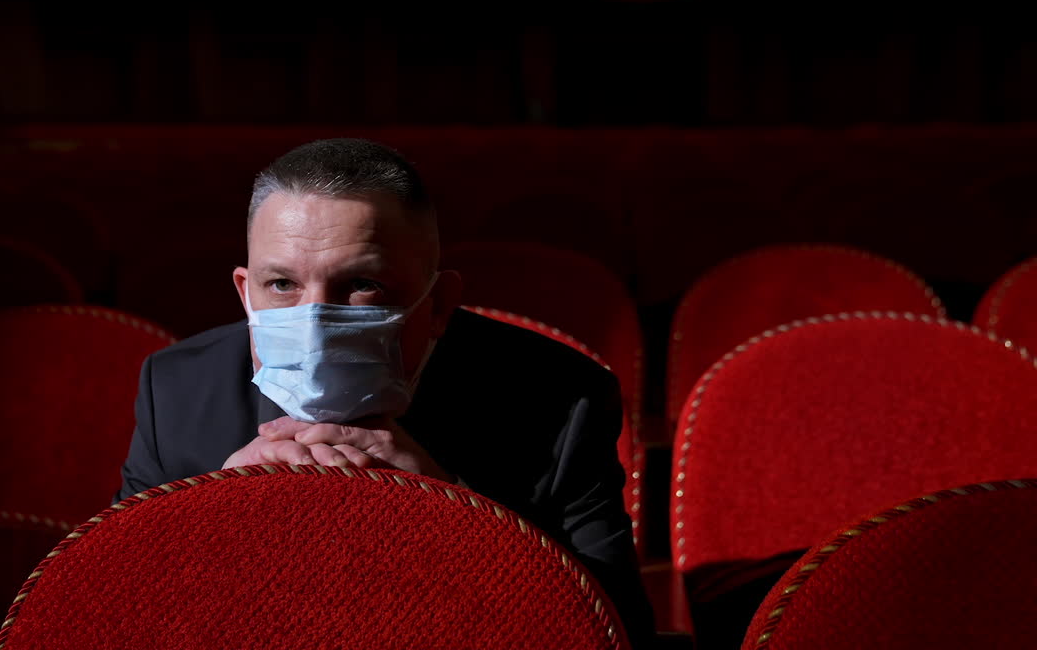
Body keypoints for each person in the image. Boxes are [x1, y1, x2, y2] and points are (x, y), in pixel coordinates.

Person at [117, 138, 654, 646]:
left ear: (439, 302)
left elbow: (612, 631)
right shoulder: (176, 392)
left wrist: (459, 517)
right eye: (282, 285)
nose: (315, 319)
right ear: (245, 292)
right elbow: (111, 609)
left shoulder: (560, 401)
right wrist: (200, 517)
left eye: (362, 285)